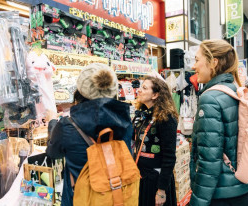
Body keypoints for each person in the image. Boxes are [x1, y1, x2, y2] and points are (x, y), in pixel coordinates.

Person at [46, 63, 133, 206]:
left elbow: (53, 153)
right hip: (115, 195)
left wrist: (52, 124)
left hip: (81, 197)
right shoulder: (124, 120)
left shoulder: (68, 125)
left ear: (80, 89)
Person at [190, 39, 248, 206]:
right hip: (244, 187)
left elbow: (209, 162)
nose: (194, 66)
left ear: (213, 62)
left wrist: (197, 202)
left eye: (197, 60)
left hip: (222, 195)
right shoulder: (235, 91)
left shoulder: (210, 98)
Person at [133, 76, 179, 206]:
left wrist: (161, 190)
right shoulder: (142, 115)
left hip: (156, 180)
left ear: (155, 95)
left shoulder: (166, 118)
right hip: (142, 177)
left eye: (144, 88)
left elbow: (169, 157)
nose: (139, 90)